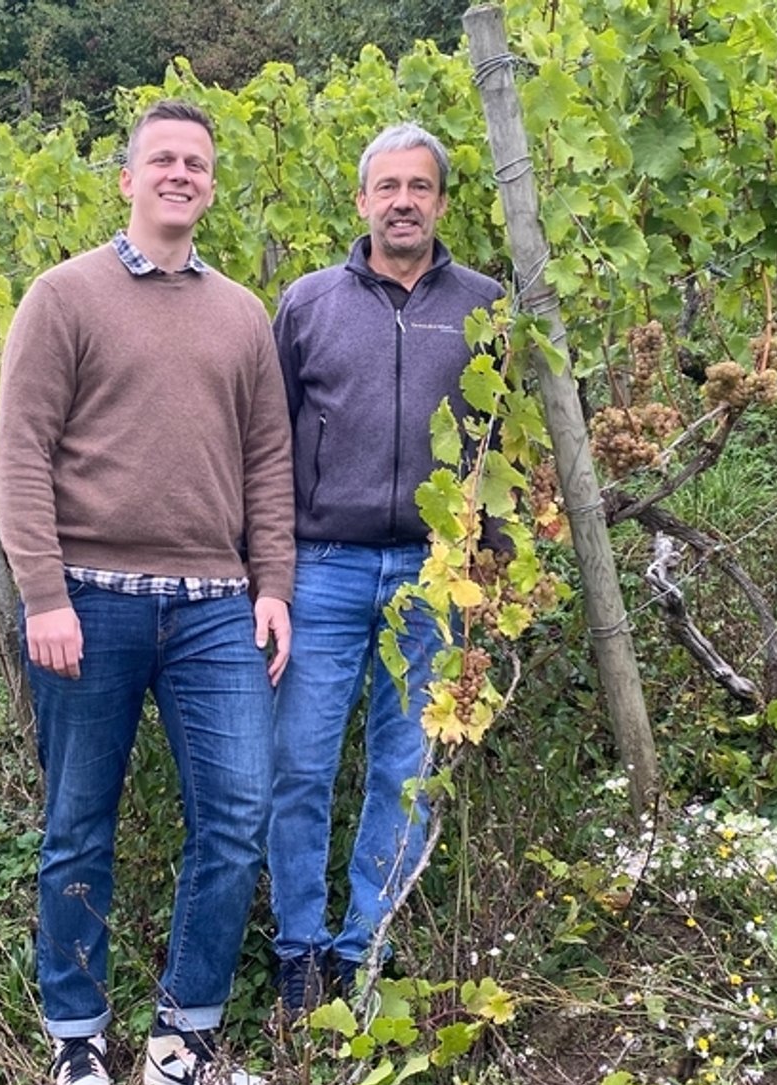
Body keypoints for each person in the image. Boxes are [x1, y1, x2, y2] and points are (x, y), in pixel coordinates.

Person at [0, 99, 294, 1085]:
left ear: (210, 185)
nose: (179, 174)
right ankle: (77, 1039)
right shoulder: (63, 296)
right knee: (79, 825)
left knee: (237, 815)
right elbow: (20, 452)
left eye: (195, 162)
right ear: (127, 179)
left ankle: (181, 1041)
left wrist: (273, 584)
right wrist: (43, 592)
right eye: (161, 158)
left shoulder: (241, 314)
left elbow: (268, 461)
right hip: (89, 601)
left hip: (215, 608)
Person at [267, 123, 503, 1014]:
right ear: (362, 199)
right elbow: (266, 442)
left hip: (436, 572)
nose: (403, 202)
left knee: (405, 769)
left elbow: (502, 442)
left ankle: (367, 945)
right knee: (299, 765)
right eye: (388, 187)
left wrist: (493, 564)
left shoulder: (485, 306)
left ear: (441, 202)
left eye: (420, 186)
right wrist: (268, 568)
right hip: (322, 568)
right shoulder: (307, 304)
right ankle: (298, 950)